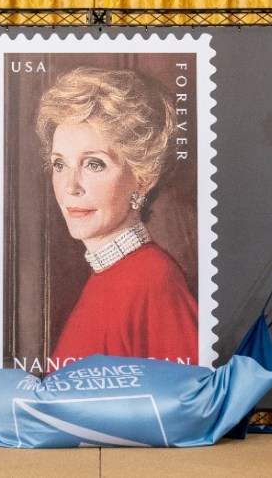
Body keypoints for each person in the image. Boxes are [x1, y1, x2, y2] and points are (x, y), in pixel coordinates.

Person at [36, 67, 198, 370]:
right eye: (60, 164)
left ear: (143, 178)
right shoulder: (105, 276)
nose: (71, 186)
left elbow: (188, 403)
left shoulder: (155, 280)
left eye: (94, 164)